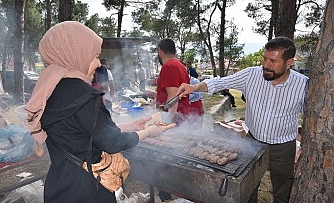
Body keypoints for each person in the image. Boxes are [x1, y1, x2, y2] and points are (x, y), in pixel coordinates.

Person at [24, 21, 165, 203]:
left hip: (59, 185)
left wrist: (130, 125)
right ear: (76, 52)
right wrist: (149, 132)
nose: (98, 63)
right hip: (87, 189)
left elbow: (82, 130)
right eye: (95, 56)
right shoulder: (83, 93)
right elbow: (113, 143)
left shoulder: (48, 90)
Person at [177, 36, 308, 203]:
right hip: (253, 143)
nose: (266, 65)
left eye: (273, 61)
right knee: (248, 190)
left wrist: (302, 147)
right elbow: (219, 82)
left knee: (282, 194)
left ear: (289, 62)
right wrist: (195, 87)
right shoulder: (251, 75)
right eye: (264, 59)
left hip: (283, 148)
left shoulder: (303, 85)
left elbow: (308, 120)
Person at [145, 38, 190, 125]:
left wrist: (165, 124)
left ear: (160, 51)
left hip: (175, 122)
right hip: (181, 118)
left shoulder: (169, 67)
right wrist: (156, 95)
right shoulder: (180, 66)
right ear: (175, 51)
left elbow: (173, 98)